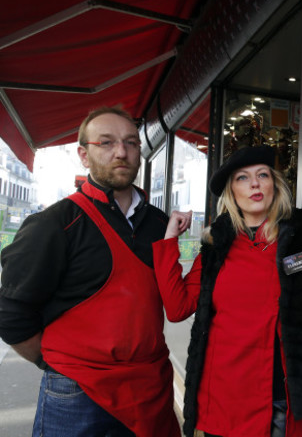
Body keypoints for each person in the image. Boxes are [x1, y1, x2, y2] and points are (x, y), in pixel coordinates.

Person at [0, 106, 180, 437]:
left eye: (130, 142)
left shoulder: (160, 224)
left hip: (149, 388)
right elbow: (11, 314)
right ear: (84, 155)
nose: (121, 152)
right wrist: (56, 364)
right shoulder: (53, 224)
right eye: (107, 143)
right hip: (76, 395)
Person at [153, 144, 302, 437]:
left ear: (275, 184)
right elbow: (177, 308)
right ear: (232, 192)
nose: (255, 183)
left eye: (263, 175)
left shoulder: (299, 237)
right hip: (223, 398)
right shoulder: (216, 244)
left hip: (279, 400)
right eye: (242, 178)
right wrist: (170, 238)